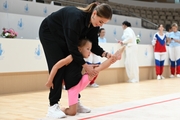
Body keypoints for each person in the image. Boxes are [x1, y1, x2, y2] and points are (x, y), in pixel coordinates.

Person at [39, 2, 114, 119]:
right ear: (94, 13)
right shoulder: (76, 19)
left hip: (64, 37)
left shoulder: (94, 26)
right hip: (50, 33)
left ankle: (75, 102)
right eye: (100, 21)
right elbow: (73, 48)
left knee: (76, 65)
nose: (100, 25)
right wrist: (85, 65)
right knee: (59, 65)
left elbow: (93, 45)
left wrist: (106, 54)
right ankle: (53, 106)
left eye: (103, 23)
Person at [45, 38, 123, 116]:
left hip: (81, 82)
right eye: (88, 49)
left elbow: (97, 67)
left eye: (90, 49)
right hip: (73, 89)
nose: (90, 51)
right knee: (72, 113)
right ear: (79, 49)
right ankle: (62, 109)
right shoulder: (71, 57)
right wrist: (50, 80)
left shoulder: (82, 61)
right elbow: (56, 66)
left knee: (96, 69)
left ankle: (113, 58)